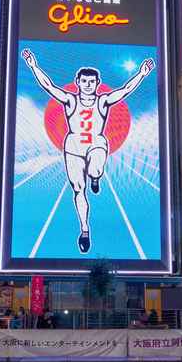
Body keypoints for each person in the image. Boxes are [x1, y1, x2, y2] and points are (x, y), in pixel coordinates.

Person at [21, 48, 154, 253]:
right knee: (77, 188)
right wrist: (33, 65)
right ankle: (84, 230)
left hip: (96, 144)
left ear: (97, 84)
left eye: (92, 82)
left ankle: (95, 176)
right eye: (84, 81)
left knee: (95, 170)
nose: (88, 85)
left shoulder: (103, 100)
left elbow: (125, 90)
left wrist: (142, 73)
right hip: (73, 147)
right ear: (78, 82)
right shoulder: (70, 100)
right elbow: (48, 86)